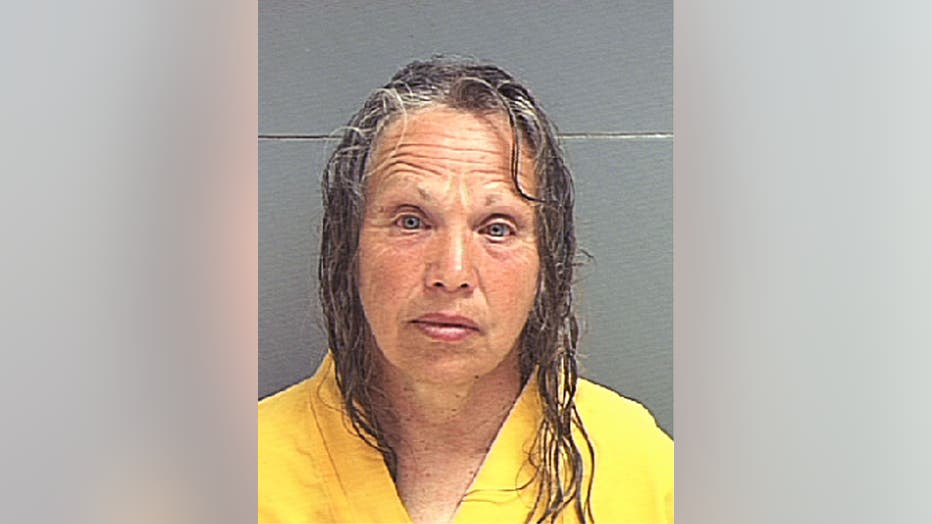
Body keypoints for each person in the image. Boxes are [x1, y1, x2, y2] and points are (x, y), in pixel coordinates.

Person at [258, 57, 673, 523]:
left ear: (547, 263)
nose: (452, 273)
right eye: (411, 221)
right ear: (348, 245)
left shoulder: (637, 468)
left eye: (497, 228)